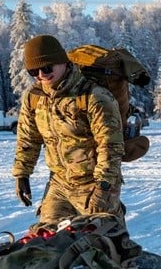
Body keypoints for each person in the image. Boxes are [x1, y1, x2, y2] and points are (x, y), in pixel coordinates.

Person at [11, 35, 126, 228]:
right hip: (59, 184)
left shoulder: (94, 96)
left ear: (63, 62)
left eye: (47, 67)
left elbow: (110, 145)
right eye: (34, 71)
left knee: (103, 243)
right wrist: (22, 174)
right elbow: (28, 139)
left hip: (94, 183)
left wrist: (103, 187)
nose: (41, 74)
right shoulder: (35, 97)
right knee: (47, 243)